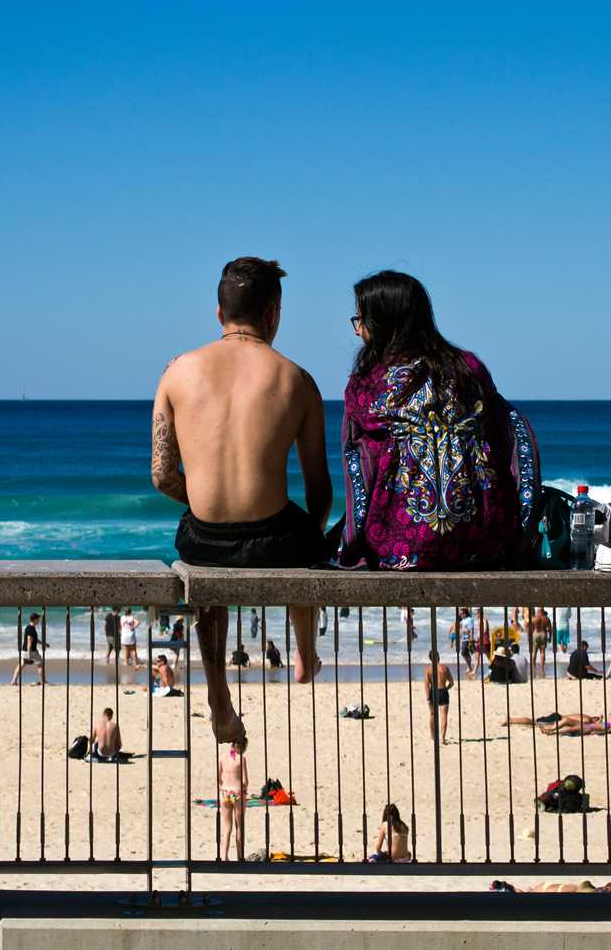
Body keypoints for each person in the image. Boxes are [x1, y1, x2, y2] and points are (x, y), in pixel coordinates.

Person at [153, 257, 332, 743]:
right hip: (276, 539)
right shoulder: (297, 380)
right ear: (273, 314)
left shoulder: (176, 372)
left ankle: (218, 693)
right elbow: (320, 491)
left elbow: (161, 474)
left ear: (218, 313)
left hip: (202, 540)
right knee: (305, 531)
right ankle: (302, 649)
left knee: (208, 565)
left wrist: (205, 500)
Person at [336, 270, 540, 571]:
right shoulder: (468, 368)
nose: (356, 330)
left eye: (360, 320)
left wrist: (351, 545)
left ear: (382, 323)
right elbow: (514, 431)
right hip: (483, 545)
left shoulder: (369, 384)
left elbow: (360, 470)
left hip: (398, 549)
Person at [218, 736, 249, 861]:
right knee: (239, 827)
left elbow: (218, 778)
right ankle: (240, 857)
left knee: (226, 828)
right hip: (237, 793)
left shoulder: (222, 757)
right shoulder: (242, 759)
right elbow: (245, 781)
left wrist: (223, 787)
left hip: (225, 792)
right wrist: (244, 790)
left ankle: (223, 856)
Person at [9, 613, 47, 686]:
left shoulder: (29, 627)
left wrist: (44, 643)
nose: (39, 621)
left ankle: (13, 681)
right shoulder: (31, 629)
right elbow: (29, 641)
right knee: (40, 664)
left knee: (21, 665)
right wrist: (29, 654)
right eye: (38, 619)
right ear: (35, 619)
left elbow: (34, 640)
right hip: (31, 651)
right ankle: (43, 681)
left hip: (25, 650)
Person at [425, 652, 454, 744]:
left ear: (430, 659)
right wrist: (446, 689)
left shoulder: (428, 669)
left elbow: (426, 685)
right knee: (444, 716)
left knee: (432, 715)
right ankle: (443, 738)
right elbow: (452, 683)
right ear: (438, 657)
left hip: (434, 692)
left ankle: (433, 736)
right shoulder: (445, 668)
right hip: (443, 691)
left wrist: (428, 698)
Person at [530, 607, 551, 676]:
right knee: (542, 652)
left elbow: (530, 629)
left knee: (534, 652)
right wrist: (550, 637)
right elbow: (550, 629)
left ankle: (533, 667)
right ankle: (542, 667)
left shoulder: (534, 618)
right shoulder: (546, 618)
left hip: (536, 634)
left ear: (538, 611)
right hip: (543, 634)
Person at [458, 608, 477, 678]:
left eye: (462, 614)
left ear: (465, 613)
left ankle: (470, 667)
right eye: (460, 614)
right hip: (463, 639)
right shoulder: (462, 620)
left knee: (464, 653)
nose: (461, 615)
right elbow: (462, 629)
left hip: (468, 639)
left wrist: (471, 639)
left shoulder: (469, 619)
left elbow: (471, 630)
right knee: (465, 653)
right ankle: (469, 667)